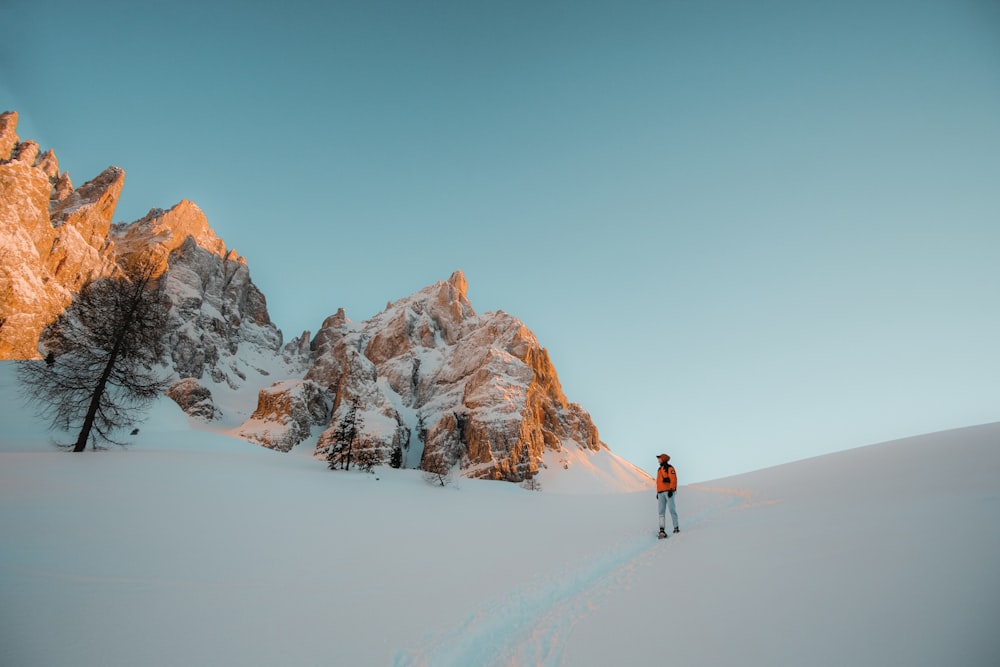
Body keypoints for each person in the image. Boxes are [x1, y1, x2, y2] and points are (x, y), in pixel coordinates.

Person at [655, 454, 679, 538]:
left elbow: (674, 479)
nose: (658, 460)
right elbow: (658, 482)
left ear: (663, 459)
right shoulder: (659, 469)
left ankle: (676, 528)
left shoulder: (670, 468)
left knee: (672, 509)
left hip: (668, 491)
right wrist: (658, 492)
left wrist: (671, 489)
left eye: (659, 458)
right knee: (661, 511)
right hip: (661, 492)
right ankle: (662, 530)